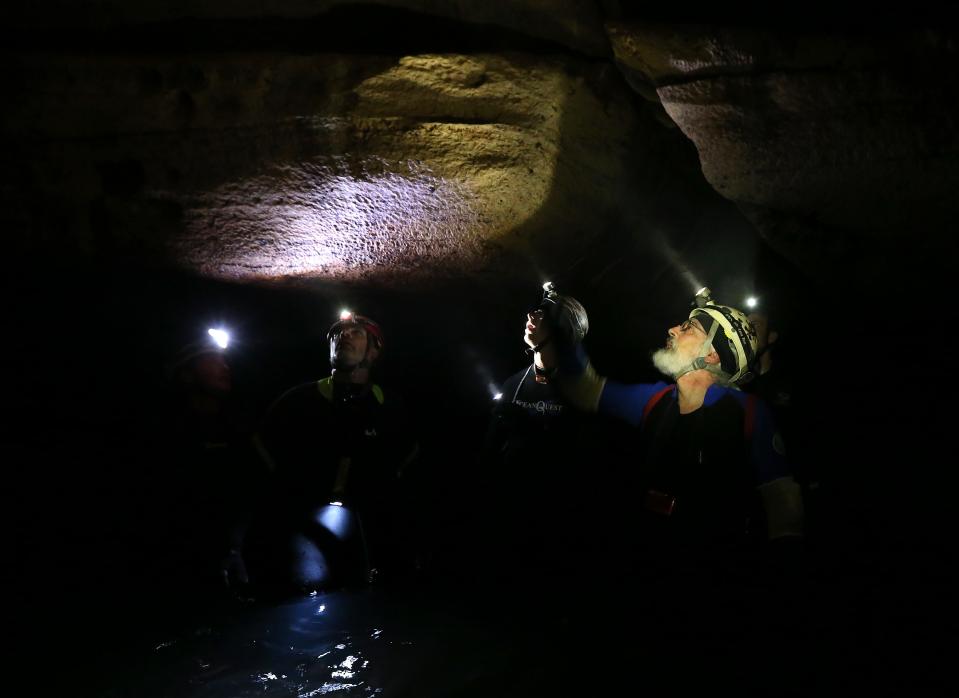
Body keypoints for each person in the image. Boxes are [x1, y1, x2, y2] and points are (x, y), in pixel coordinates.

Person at [554, 287, 805, 688]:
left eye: (687, 326)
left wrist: (778, 593)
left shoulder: (749, 413)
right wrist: (567, 338)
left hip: (710, 589)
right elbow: (586, 390)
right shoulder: (654, 400)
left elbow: (781, 497)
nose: (672, 328)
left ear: (712, 353)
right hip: (646, 569)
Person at [249, 310, 418, 593]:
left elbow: (411, 453)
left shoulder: (389, 406)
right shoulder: (298, 400)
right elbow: (260, 446)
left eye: (356, 333)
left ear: (374, 353)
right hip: (306, 522)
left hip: (369, 523)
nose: (344, 337)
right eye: (338, 334)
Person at [483, 283, 622, 578]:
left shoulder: (584, 390)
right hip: (514, 516)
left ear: (562, 330)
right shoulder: (512, 385)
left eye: (543, 315)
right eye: (533, 311)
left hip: (560, 524)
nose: (531, 317)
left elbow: (591, 465)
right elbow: (489, 454)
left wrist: (532, 431)